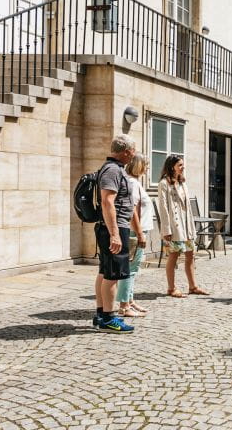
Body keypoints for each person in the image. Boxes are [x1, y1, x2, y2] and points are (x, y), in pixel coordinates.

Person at [93, 134, 137, 333]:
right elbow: (107, 202)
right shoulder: (112, 170)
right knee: (113, 274)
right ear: (126, 152)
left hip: (114, 227)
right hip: (114, 228)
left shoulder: (114, 169)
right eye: (132, 151)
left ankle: (102, 314)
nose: (133, 155)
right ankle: (109, 319)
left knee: (105, 271)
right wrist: (115, 234)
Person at [157, 155, 210, 298]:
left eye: (183, 164)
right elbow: (163, 208)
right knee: (173, 255)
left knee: (190, 255)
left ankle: (193, 286)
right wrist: (166, 229)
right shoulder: (164, 184)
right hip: (175, 226)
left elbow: (188, 208)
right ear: (172, 166)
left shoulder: (182, 183)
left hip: (186, 226)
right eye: (180, 165)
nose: (183, 167)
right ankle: (171, 288)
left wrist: (192, 227)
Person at [116, 154, 152, 318]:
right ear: (139, 165)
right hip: (135, 232)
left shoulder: (134, 182)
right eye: (146, 164)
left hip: (138, 231)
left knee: (133, 269)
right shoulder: (133, 183)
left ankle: (130, 300)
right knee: (129, 270)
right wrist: (139, 234)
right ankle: (124, 305)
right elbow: (132, 211)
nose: (148, 168)